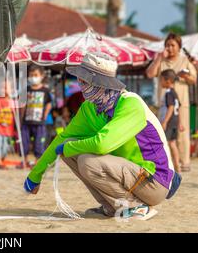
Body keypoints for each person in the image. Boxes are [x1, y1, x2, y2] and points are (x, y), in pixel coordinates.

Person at [24, 52, 182, 220]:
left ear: (100, 82)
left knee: (86, 160)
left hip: (155, 182)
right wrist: (35, 175)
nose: (80, 83)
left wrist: (68, 147)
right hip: (132, 176)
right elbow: (61, 141)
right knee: (68, 148)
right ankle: (112, 206)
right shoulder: (90, 108)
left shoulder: (130, 104)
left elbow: (102, 145)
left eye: (84, 80)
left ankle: (135, 207)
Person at [146, 32, 197, 172]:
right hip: (164, 104)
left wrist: (184, 75)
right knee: (164, 133)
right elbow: (150, 74)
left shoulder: (184, 60)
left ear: (179, 47)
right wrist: (158, 59)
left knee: (182, 132)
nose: (170, 48)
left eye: (172, 45)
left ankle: (184, 163)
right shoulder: (161, 60)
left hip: (182, 104)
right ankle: (169, 163)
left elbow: (194, 79)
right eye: (167, 45)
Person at [20, 64, 52, 167]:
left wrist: (45, 115)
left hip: (40, 122)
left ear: (41, 76)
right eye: (31, 75)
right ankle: (24, 160)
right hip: (26, 121)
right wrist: (21, 117)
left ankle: (38, 161)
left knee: (39, 142)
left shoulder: (45, 90)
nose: (33, 77)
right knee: (24, 142)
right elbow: (23, 104)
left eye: (35, 75)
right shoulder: (26, 89)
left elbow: (49, 103)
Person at [159, 69, 184, 173]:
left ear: (168, 81)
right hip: (174, 121)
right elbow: (178, 109)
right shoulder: (175, 92)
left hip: (169, 122)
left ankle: (167, 165)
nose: (160, 82)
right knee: (172, 143)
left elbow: (171, 107)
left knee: (164, 143)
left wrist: (164, 122)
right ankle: (177, 165)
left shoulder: (169, 93)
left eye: (161, 80)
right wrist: (180, 123)